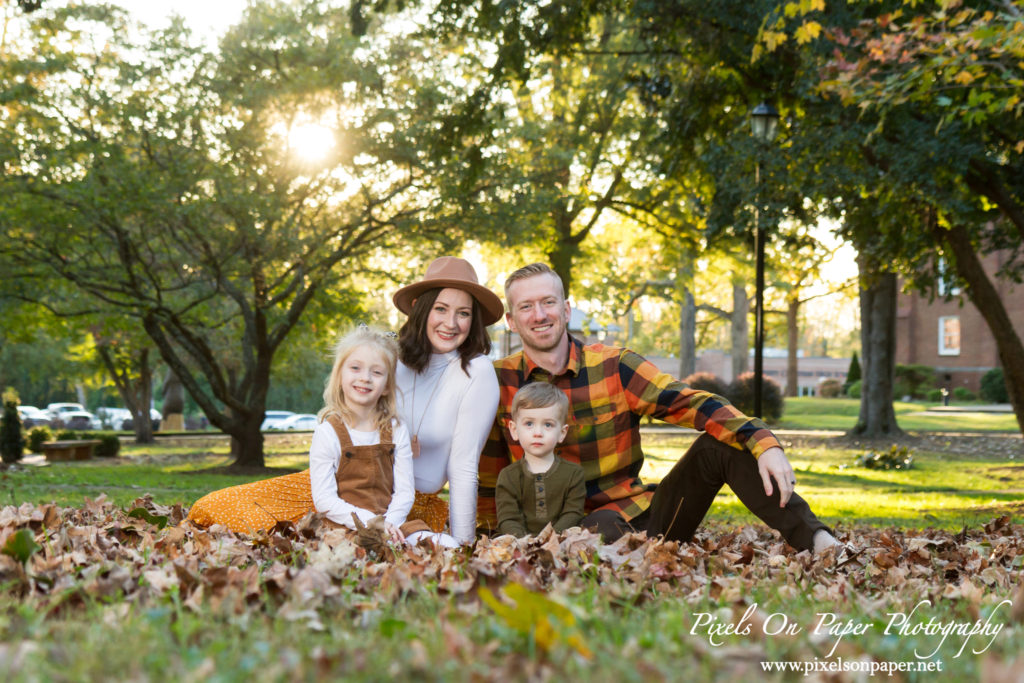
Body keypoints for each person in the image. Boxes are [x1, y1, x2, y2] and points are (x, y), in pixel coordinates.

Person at [478, 263, 841, 554]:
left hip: (642, 518)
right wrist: (491, 540)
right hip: (553, 530)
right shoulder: (496, 382)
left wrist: (765, 443)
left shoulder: (614, 367)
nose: (539, 314)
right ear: (511, 321)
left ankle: (821, 542)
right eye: (526, 306)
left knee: (722, 442)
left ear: (566, 308)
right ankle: (608, 557)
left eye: (548, 302)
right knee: (590, 533)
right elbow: (490, 475)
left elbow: (691, 403)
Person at [188, 326, 452, 546]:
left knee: (445, 544)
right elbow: (325, 500)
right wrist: (370, 525)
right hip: (344, 524)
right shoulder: (329, 432)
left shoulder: (396, 429)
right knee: (351, 551)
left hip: (392, 520)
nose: (365, 378)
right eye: (356, 368)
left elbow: (404, 492)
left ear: (386, 386)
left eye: (377, 372)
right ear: (340, 376)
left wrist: (389, 524)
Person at [392, 257, 503, 546]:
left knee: (440, 548)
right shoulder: (390, 361)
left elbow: (464, 468)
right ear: (420, 308)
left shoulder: (476, 372)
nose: (451, 323)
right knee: (257, 509)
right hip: (354, 490)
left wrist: (464, 545)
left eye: (463, 313)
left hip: (413, 509)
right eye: (440, 309)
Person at [495, 382, 585, 537]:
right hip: (517, 545)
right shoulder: (508, 476)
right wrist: (525, 543)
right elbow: (508, 518)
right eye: (529, 423)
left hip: (561, 542)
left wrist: (550, 539)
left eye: (548, 425)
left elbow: (572, 514)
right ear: (514, 430)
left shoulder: (573, 474)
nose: (538, 433)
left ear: (562, 433)